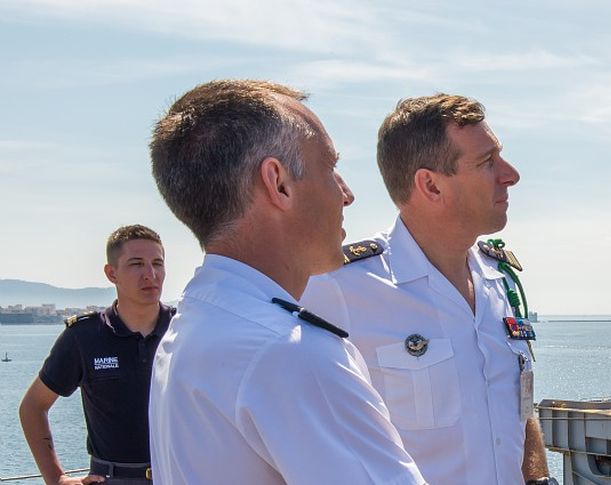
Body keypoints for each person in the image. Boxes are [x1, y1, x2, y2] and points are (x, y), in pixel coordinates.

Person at [147, 80, 424, 485]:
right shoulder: (289, 353)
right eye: (329, 168)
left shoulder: (196, 323)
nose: (346, 194)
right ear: (278, 183)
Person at [301, 93, 552, 485]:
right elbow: (305, 439)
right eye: (487, 162)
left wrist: (538, 480)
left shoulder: (498, 277)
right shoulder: (340, 287)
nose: (510, 174)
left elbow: (518, 406)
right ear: (431, 186)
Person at [19, 225, 172, 485]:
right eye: (136, 264)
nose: (150, 274)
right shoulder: (85, 336)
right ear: (112, 273)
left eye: (157, 263)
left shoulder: (184, 329)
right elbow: (33, 407)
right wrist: (56, 479)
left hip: (179, 476)